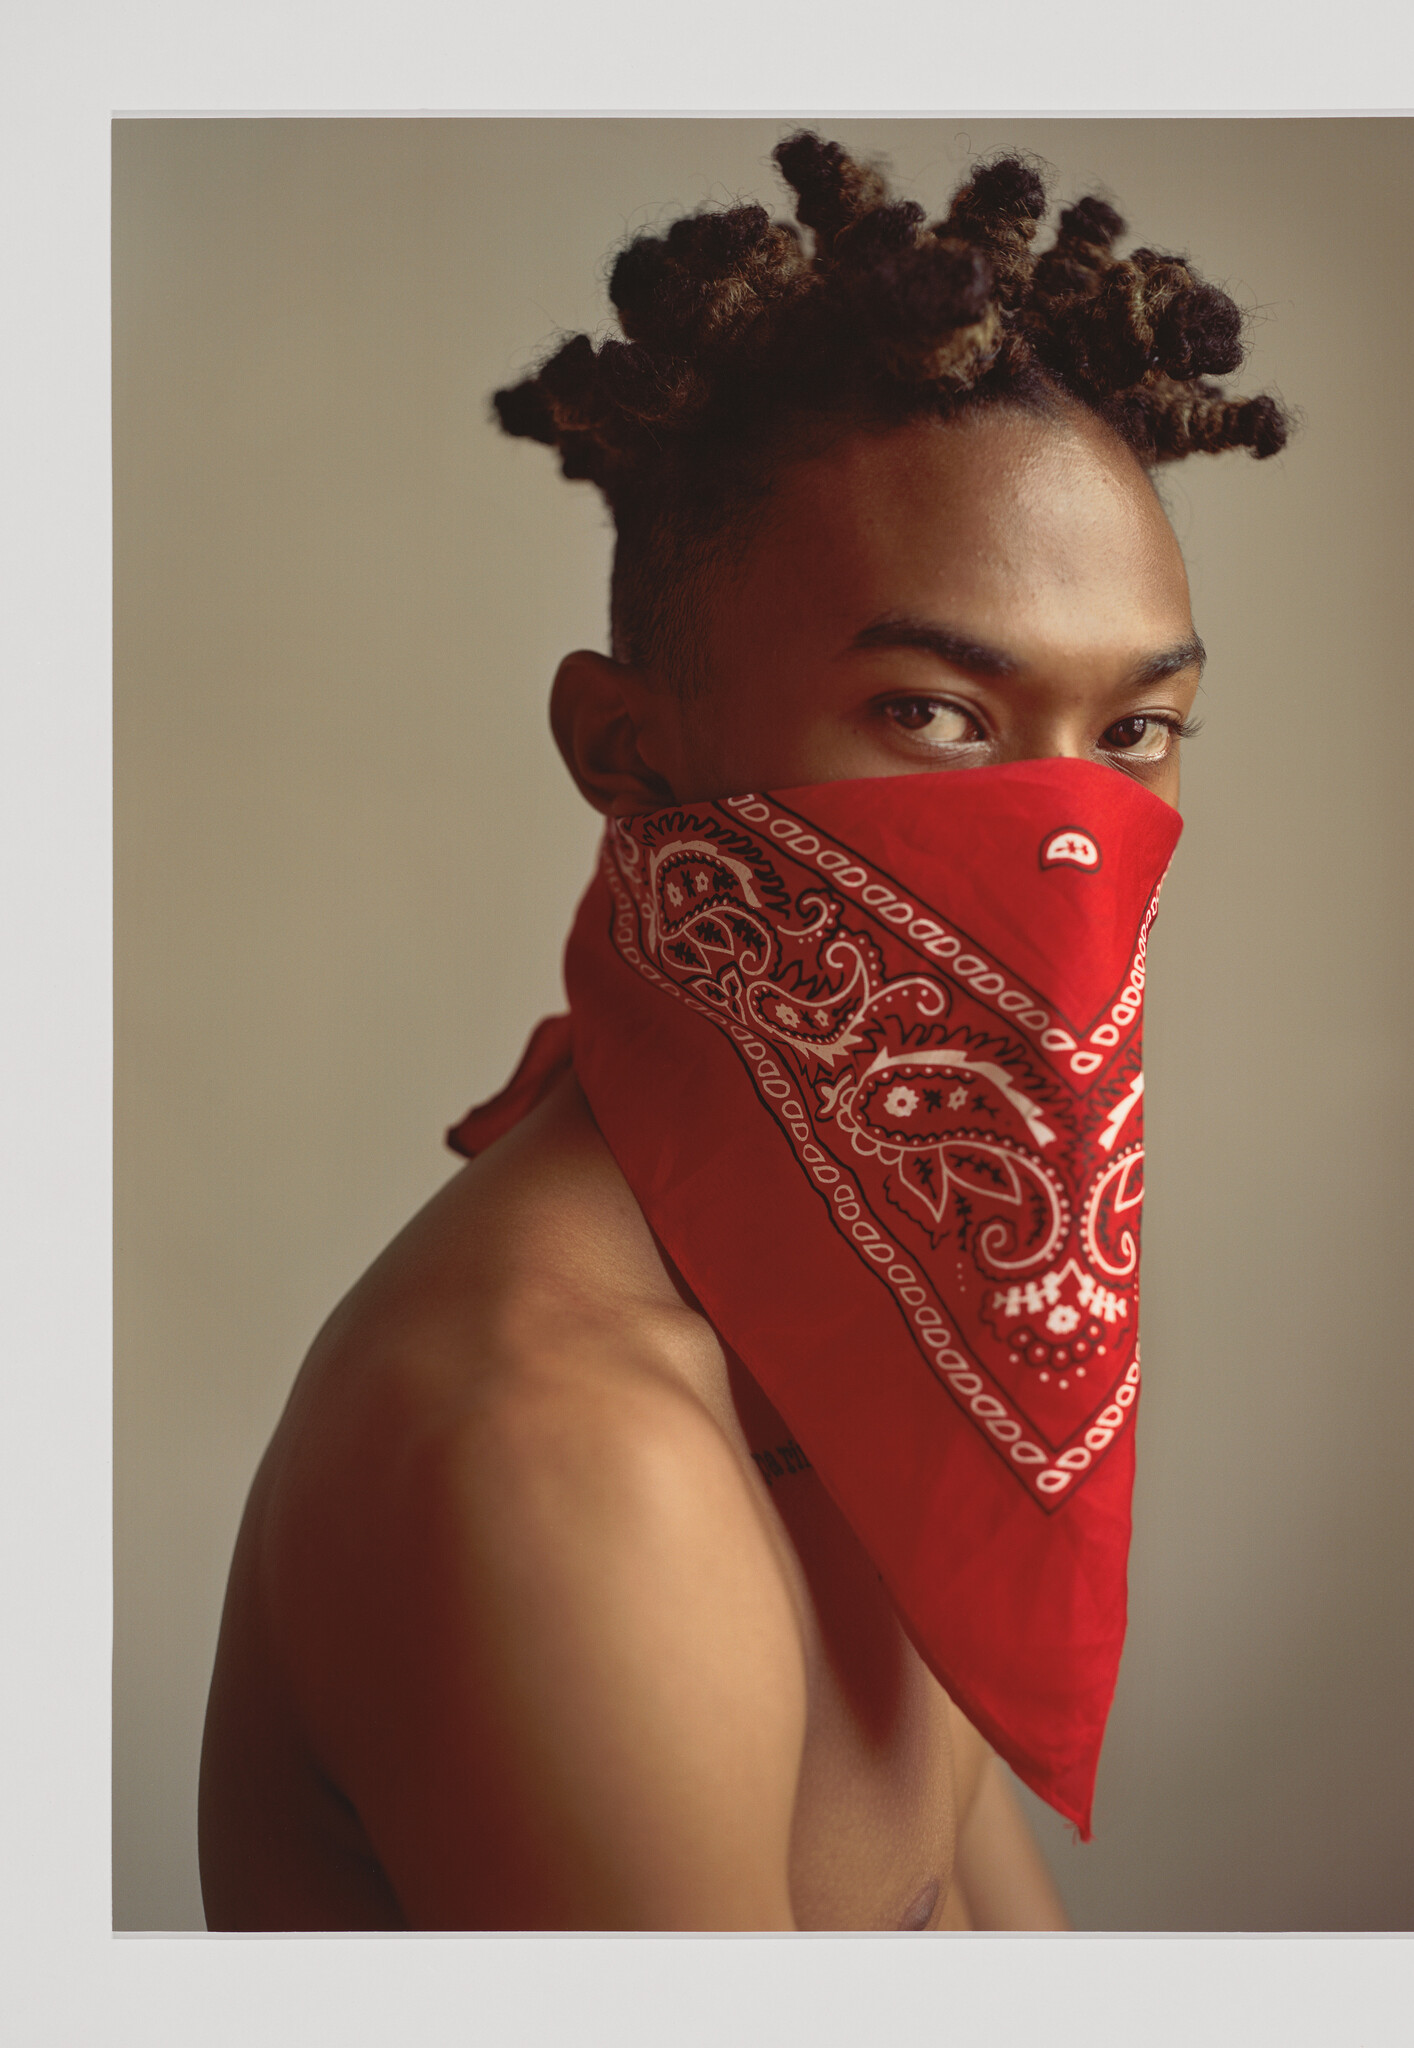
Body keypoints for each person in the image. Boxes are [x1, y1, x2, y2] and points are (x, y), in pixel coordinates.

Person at [196, 132, 1289, 1932]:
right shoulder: (565, 1461)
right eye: (936, 713)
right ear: (627, 753)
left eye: (1136, 730)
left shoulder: (854, 1298)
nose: (1070, 840)